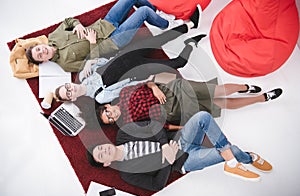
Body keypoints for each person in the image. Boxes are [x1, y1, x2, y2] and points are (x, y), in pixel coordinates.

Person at [87, 111, 273, 191]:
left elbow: (154, 126)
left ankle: (232, 163)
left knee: (203, 117)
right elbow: (155, 185)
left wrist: (165, 146)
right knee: (232, 149)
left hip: (179, 141)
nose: (104, 150)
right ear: (106, 163)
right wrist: (168, 160)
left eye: (101, 147)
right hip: (184, 161)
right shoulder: (127, 174)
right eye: (101, 154)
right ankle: (248, 158)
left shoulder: (123, 134)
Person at [25, 0, 201, 72]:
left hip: (105, 24)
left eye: (39, 49)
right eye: (40, 56)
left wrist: (77, 24)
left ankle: (157, 14)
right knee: (143, 12)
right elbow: (92, 65)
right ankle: (169, 24)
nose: (43, 51)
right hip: (113, 41)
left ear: (40, 45)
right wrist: (93, 43)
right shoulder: (65, 64)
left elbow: (68, 21)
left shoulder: (53, 36)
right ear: (44, 61)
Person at [53, 24, 206, 104]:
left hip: (126, 55)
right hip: (136, 70)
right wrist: (147, 80)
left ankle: (190, 25)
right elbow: (124, 88)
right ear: (72, 98)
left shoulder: (83, 74)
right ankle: (191, 44)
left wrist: (90, 63)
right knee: (177, 63)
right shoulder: (99, 97)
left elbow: (103, 60)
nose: (70, 89)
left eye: (67, 87)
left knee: (158, 40)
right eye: (68, 93)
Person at [97, 78, 283, 128]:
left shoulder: (124, 92)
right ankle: (263, 98)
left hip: (172, 91)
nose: (113, 116)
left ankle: (244, 87)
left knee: (214, 90)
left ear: (108, 107)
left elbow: (147, 82)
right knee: (221, 104)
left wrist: (154, 88)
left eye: (109, 114)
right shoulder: (128, 122)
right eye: (111, 120)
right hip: (175, 110)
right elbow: (156, 127)